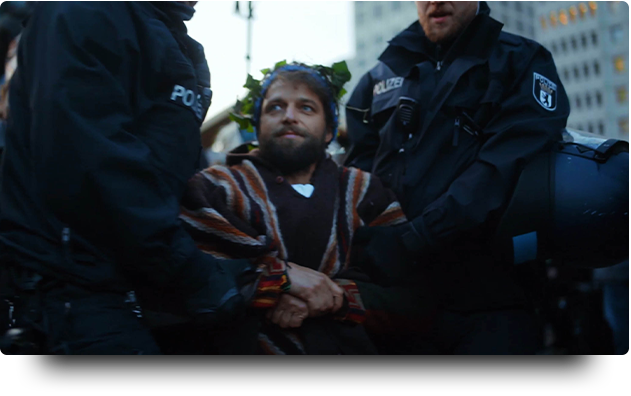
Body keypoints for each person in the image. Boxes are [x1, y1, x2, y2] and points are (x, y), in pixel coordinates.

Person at [0, 1, 255, 355]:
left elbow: (168, 180)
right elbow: (90, 160)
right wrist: (190, 270)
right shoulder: (83, 10)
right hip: (66, 288)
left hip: (134, 282)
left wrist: (260, 269)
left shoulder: (181, 44)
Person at [344, 1, 570, 355]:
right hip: (394, 300)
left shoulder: (522, 61)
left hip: (491, 302)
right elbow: (355, 179)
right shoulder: (378, 77)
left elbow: (502, 169)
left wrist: (416, 238)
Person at [167, 62, 431, 355]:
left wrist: (338, 298)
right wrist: (270, 284)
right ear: (257, 124)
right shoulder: (213, 188)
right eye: (275, 108)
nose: (289, 117)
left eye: (306, 108)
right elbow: (186, 271)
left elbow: (413, 293)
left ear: (329, 130)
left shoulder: (367, 192)